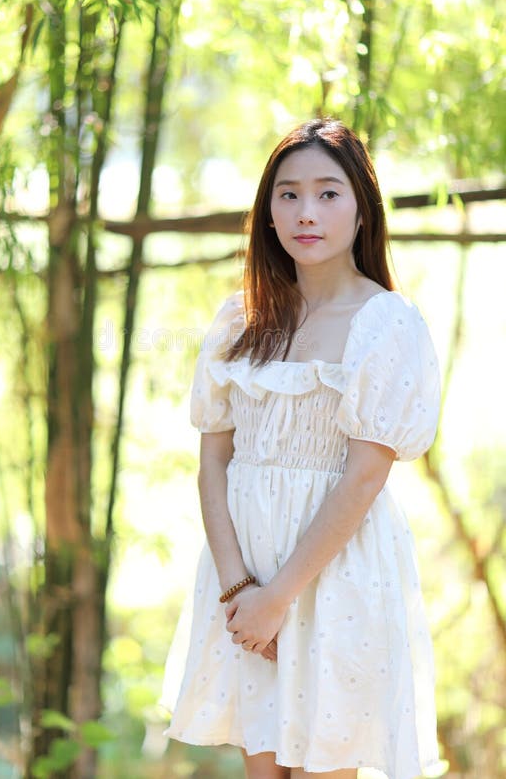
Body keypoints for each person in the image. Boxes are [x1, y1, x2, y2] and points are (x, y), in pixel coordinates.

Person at [160, 118, 442, 779]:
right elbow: (213, 462)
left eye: (327, 193)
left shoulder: (387, 324)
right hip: (245, 575)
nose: (305, 212)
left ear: (362, 208)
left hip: (334, 573)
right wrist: (240, 593)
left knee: (326, 765)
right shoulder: (241, 320)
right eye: (287, 195)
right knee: (264, 767)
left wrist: (279, 597)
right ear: (266, 213)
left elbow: (365, 477)